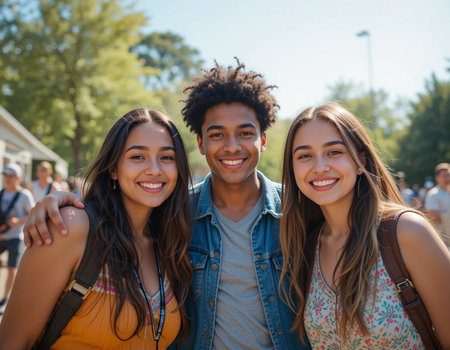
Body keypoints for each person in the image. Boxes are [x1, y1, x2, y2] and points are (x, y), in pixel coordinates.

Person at [22, 61, 310, 349]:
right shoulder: (175, 216)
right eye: (217, 134)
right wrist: (60, 201)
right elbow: (121, 208)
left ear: (263, 140)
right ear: (200, 143)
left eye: (246, 133)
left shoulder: (301, 211)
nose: (232, 146)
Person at [0, 109, 193, 349]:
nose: (155, 169)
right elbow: (13, 342)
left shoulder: (169, 244)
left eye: (167, 157)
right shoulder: (70, 228)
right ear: (113, 168)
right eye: (137, 157)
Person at [279, 102, 450, 349]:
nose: (319, 167)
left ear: (361, 160)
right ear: (293, 169)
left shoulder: (407, 232)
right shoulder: (306, 246)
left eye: (334, 152)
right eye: (305, 156)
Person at [0, 163, 35, 308]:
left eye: (11, 176)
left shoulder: (25, 195)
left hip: (16, 237)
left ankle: (5, 299)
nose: (7, 179)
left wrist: (17, 221)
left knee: (12, 267)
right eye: (5, 176)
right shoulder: (2, 193)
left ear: (18, 178)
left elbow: (33, 214)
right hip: (2, 236)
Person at [425, 162, 450, 247]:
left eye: (448, 175)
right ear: (437, 178)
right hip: (443, 241)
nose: (447, 178)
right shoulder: (433, 194)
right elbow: (435, 217)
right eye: (444, 176)